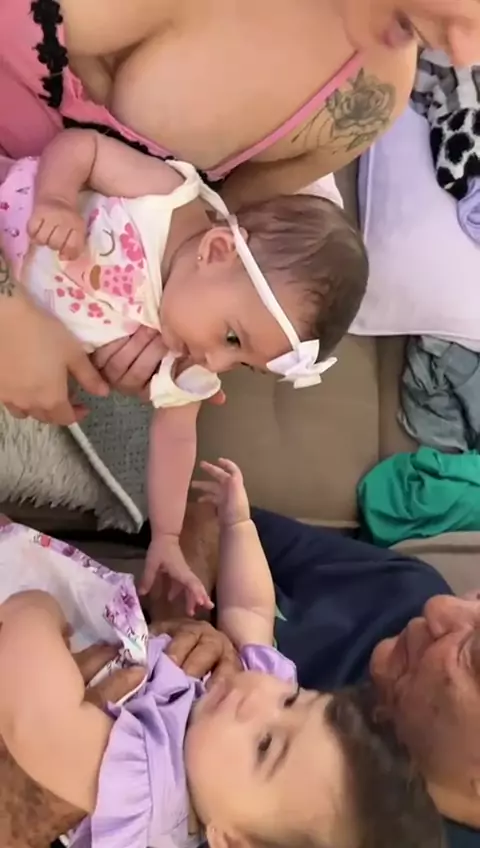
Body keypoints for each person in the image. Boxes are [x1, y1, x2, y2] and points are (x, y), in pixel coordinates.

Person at [0, 130, 366, 604]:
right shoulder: (165, 199)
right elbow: (83, 149)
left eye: (244, 364)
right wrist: (57, 199)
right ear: (217, 251)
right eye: (233, 338)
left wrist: (167, 536)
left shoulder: (185, 364)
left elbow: (176, 438)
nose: (216, 361)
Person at [0, 464, 442, 848]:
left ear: (231, 839)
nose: (261, 701)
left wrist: (34, 612)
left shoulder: (146, 788)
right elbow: (249, 610)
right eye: (295, 700)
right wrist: (239, 526)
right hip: (70, 628)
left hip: (27, 656)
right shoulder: (257, 698)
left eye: (265, 746)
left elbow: (38, 725)